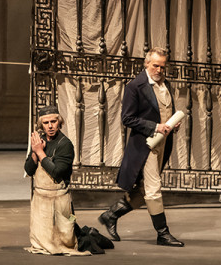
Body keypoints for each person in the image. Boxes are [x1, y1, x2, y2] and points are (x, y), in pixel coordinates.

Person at [98, 47, 184, 246]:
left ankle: (111, 215)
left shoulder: (166, 84)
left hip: (162, 143)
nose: (160, 70)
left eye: (163, 66)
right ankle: (163, 233)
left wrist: (171, 124)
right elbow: (127, 118)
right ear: (146, 64)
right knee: (153, 189)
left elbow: (163, 111)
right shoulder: (135, 86)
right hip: (145, 145)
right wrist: (155, 126)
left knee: (143, 190)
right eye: (155, 65)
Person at [24, 105, 91, 256]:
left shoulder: (65, 144)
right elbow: (28, 170)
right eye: (46, 123)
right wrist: (34, 153)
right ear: (41, 125)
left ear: (59, 122)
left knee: (65, 237)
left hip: (59, 199)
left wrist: (40, 152)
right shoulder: (38, 141)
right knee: (41, 240)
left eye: (53, 121)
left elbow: (57, 172)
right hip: (40, 200)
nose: (50, 126)